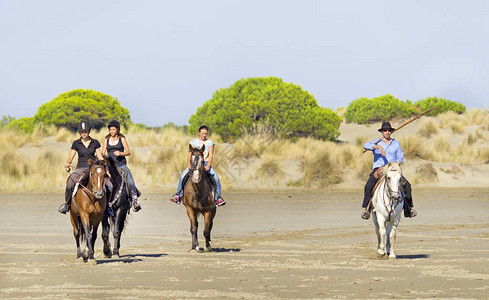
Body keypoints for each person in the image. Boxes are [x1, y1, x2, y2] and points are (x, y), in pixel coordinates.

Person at [361, 121, 417, 220]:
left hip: (392, 169)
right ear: (382, 132)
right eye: (385, 130)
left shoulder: (396, 143)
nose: (387, 132)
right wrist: (378, 147)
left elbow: (401, 158)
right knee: (369, 186)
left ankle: (409, 209)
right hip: (379, 169)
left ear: (391, 132)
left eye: (389, 130)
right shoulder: (377, 142)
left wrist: (395, 165)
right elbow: (365, 145)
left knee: (407, 186)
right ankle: (367, 209)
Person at [170, 125, 225, 207]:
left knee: (216, 178)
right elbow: (189, 155)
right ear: (199, 133)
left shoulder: (210, 143)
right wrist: (189, 164)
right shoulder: (193, 142)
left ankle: (218, 198)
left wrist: (208, 165)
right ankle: (179, 195)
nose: (204, 135)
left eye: (205, 133)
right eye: (202, 133)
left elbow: (211, 155)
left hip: (205, 163)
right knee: (182, 176)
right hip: (194, 164)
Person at [58, 121, 106, 214]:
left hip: (93, 169)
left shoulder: (95, 142)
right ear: (79, 133)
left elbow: (100, 157)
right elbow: (71, 156)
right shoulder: (76, 143)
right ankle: (67, 205)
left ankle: (107, 207)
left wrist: (105, 167)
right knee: (69, 184)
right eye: (82, 132)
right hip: (80, 169)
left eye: (86, 131)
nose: (84, 133)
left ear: (89, 131)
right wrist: (68, 163)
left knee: (108, 185)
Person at [102, 120, 141, 212]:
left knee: (130, 179)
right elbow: (103, 152)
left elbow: (128, 152)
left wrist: (120, 153)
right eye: (110, 129)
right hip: (110, 166)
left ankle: (135, 201)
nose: (111, 131)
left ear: (117, 130)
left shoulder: (122, 138)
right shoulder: (106, 139)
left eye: (113, 129)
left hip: (120, 164)